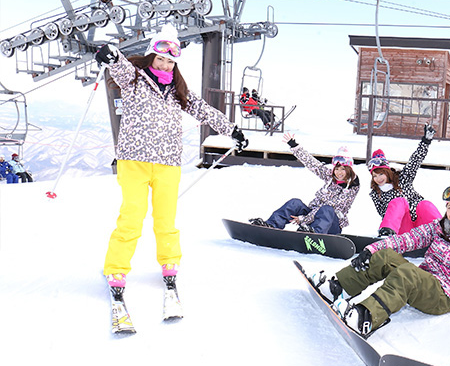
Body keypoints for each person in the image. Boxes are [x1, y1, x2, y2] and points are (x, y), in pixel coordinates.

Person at [94, 24, 249, 307]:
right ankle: (116, 267)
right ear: (152, 57)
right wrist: (112, 55)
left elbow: (203, 110)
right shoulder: (135, 80)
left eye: (170, 60)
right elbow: (120, 66)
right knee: (132, 217)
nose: (165, 64)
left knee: (166, 220)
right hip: (134, 161)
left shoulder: (178, 90)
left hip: (167, 164)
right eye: (160, 58)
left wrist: (232, 129)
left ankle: (169, 263)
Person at [315, 173, 450, 336]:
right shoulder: (439, 227)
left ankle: (366, 317)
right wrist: (371, 250)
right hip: (423, 282)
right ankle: (338, 288)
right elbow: (406, 239)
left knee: (407, 274)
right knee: (386, 256)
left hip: (443, 297)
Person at [249, 134, 359, 234]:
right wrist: (294, 146)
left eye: (343, 169)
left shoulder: (351, 187)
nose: (339, 173)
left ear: (349, 170)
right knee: (295, 203)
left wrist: (303, 219)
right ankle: (272, 225)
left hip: (331, 226)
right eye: (337, 169)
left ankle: (314, 234)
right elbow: (313, 164)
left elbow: (331, 206)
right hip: (312, 218)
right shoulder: (331, 177)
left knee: (326, 209)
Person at [368, 124, 441, 237]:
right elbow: (384, 214)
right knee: (399, 201)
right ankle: (387, 233)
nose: (378, 179)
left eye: (381, 174)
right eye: (375, 176)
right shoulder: (376, 193)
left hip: (421, 227)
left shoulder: (403, 180)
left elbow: (414, 162)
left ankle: (443, 232)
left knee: (425, 204)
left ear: (387, 172)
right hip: (403, 230)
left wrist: (425, 142)